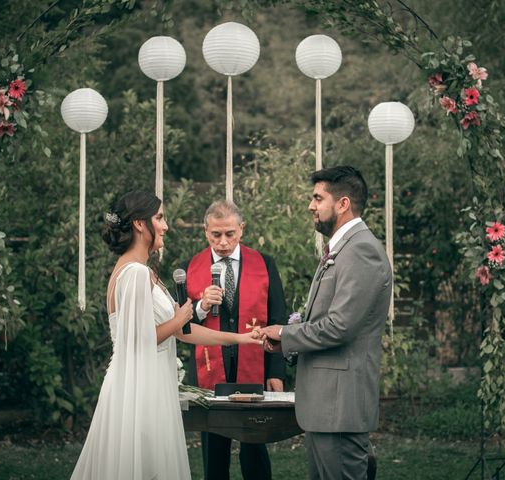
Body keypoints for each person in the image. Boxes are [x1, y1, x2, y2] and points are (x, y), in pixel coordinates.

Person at [70, 191, 261, 480]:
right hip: (138, 391)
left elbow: (183, 333)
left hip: (148, 384)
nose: (166, 226)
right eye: (159, 218)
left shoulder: (141, 272)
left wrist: (241, 339)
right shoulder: (134, 273)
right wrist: (182, 315)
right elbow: (137, 341)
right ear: (138, 224)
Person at [259, 166, 391, 480]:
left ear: (343, 203)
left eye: (318, 198)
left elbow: (339, 326)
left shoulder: (361, 250)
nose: (311, 206)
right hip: (326, 408)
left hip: (341, 407)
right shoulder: (342, 248)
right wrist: (285, 343)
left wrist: (284, 332)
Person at [182, 200, 287, 480]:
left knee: (255, 448)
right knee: (214, 455)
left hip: (254, 368)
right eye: (216, 235)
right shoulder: (189, 268)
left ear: (241, 229)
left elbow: (279, 320)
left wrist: (276, 370)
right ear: (206, 232)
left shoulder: (264, 263)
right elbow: (180, 327)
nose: (223, 242)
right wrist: (201, 306)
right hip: (209, 373)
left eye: (230, 233)